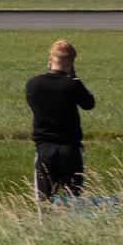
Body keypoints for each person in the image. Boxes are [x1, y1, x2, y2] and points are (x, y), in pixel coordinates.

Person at [25, 39, 96, 199]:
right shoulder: (72, 85)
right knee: (73, 200)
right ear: (71, 62)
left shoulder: (33, 84)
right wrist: (74, 78)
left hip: (45, 148)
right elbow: (89, 103)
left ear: (50, 60)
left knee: (43, 201)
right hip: (70, 149)